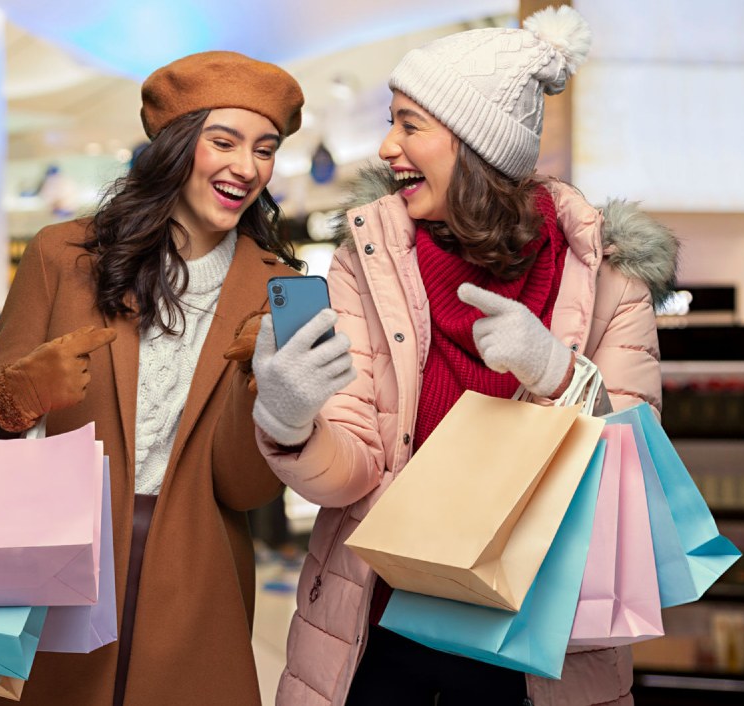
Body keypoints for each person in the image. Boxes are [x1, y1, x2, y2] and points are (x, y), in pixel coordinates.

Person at [250, 7, 678, 706]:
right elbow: (352, 469)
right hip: (377, 631)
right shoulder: (369, 260)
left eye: (409, 124)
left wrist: (558, 374)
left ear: (475, 142)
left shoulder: (608, 275)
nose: (387, 148)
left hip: (539, 649)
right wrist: (290, 420)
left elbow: (637, 471)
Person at [0, 51, 305, 706]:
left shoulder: (278, 290)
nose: (247, 167)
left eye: (265, 148)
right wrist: (25, 389)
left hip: (197, 574)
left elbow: (245, 486)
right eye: (223, 141)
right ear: (175, 146)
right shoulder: (63, 254)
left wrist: (280, 400)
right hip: (53, 554)